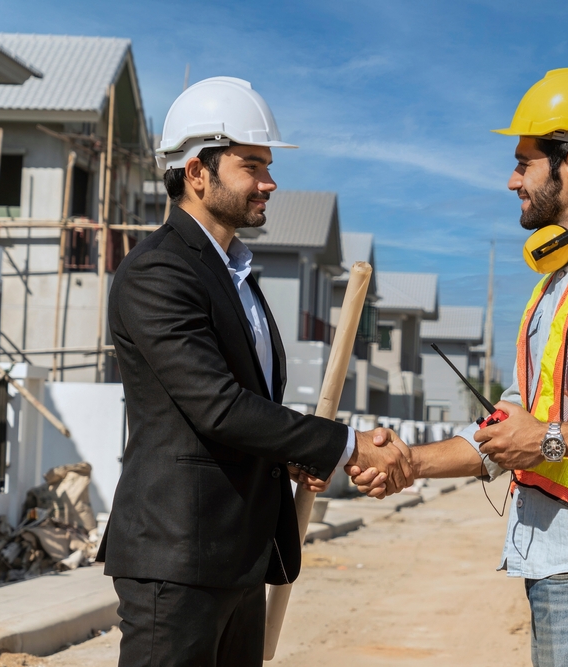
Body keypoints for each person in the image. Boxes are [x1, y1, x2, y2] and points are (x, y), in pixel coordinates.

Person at [350, 68, 568, 666]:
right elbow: (510, 429)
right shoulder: (559, 284)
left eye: (523, 162)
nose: (512, 179)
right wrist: (410, 462)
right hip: (565, 559)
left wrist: (548, 439)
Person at [96, 76, 412, 667]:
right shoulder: (158, 273)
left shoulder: (238, 277)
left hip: (238, 557)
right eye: (252, 166)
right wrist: (344, 446)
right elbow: (216, 406)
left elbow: (237, 412)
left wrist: (288, 455)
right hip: (179, 559)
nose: (269, 183)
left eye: (268, 167)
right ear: (197, 172)